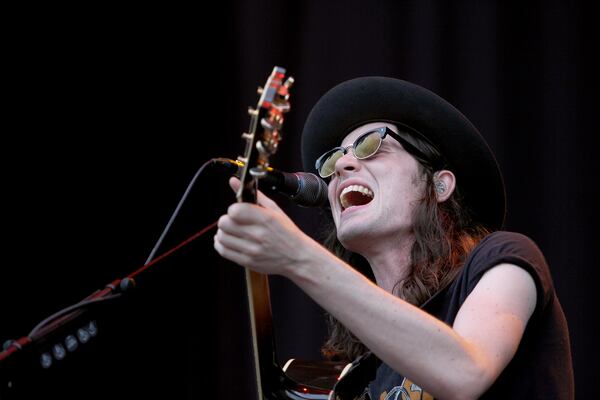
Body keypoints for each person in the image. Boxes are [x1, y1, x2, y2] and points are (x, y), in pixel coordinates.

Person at [214, 77, 574, 399]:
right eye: (334, 159)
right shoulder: (361, 379)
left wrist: (297, 256)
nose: (341, 166)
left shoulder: (505, 259)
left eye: (371, 145)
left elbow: (465, 373)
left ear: (439, 184)